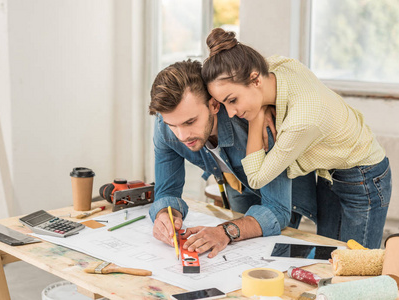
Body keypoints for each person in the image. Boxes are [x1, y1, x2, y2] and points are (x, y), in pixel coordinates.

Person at [201, 28, 392, 249]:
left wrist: (259, 114)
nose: (231, 113)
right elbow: (270, 62)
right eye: (223, 104)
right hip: (330, 173)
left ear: (255, 80)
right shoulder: (280, 67)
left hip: (364, 178)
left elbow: (255, 178)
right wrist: (260, 104)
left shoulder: (303, 120)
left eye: (232, 100)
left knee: (357, 269)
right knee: (330, 258)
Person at [148, 60, 316, 258]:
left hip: (287, 190)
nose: (182, 135)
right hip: (236, 182)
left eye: (190, 122)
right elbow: (166, 191)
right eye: (172, 125)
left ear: (214, 104)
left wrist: (224, 231)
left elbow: (277, 210)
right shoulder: (165, 125)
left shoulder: (256, 124)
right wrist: (165, 215)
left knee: (275, 256)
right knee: (243, 255)